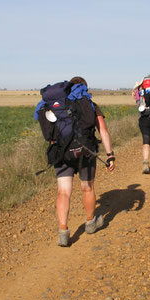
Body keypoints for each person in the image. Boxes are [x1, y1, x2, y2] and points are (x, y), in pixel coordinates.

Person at [53, 76, 115, 247]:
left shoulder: (59, 104)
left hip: (63, 153)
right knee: (87, 188)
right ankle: (90, 223)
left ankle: (63, 232)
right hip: (86, 152)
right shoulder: (91, 105)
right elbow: (102, 130)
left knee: (63, 192)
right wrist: (110, 155)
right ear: (85, 88)